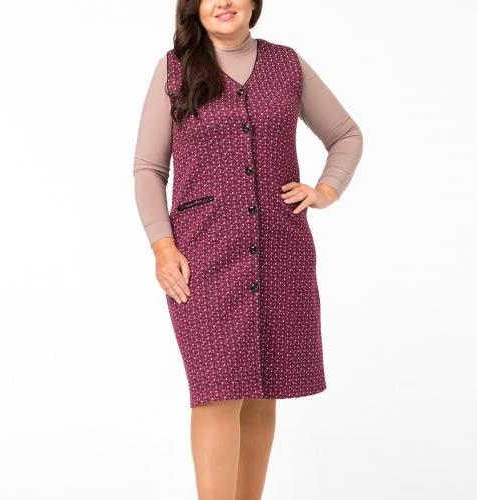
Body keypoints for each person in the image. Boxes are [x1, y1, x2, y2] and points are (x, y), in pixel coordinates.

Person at [133, 1, 363, 498]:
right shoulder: (174, 69)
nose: (224, 2)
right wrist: (162, 246)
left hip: (283, 252)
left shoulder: (287, 64)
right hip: (202, 258)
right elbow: (149, 169)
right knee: (216, 392)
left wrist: (326, 190)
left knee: (263, 392)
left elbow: (346, 135)